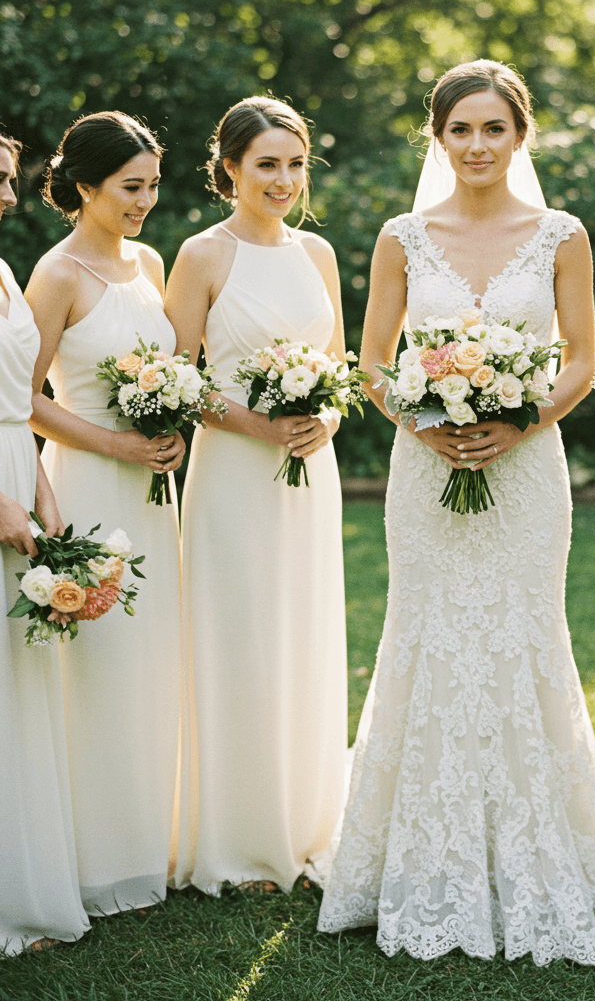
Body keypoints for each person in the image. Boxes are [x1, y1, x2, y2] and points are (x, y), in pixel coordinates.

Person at [318, 60, 595, 966]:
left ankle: (539, 856)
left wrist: (521, 419)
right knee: (427, 636)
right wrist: (426, 427)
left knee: (520, 636)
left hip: (526, 469)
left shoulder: (561, 235)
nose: (476, 145)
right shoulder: (402, 236)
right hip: (423, 470)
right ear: (438, 138)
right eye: (459, 130)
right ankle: (413, 860)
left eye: (493, 129)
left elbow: (583, 358)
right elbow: (373, 361)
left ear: (520, 136)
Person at [165, 96, 347, 894]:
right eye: (267, 164)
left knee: (301, 633)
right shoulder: (203, 254)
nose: (283, 179)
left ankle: (306, 821)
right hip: (234, 471)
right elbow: (170, 380)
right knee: (237, 637)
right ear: (231, 167)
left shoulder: (320, 253)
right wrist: (258, 425)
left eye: (295, 164)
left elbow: (340, 365)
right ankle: (238, 839)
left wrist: (326, 419)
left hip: (310, 475)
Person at [26, 113, 182, 916]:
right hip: (87, 482)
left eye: (153, 184)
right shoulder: (57, 275)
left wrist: (168, 426)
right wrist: (118, 447)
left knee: (148, 659)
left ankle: (145, 839)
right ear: (85, 187)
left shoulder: (149, 262)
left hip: (152, 498)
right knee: (96, 664)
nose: (146, 201)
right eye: (131, 187)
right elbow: (22, 398)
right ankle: (90, 856)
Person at [0, 133, 90, 954]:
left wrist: (39, 485)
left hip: (17, 469)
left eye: (3, 180)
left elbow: (13, 398)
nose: (2, 195)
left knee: (17, 679)